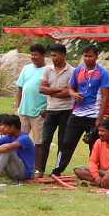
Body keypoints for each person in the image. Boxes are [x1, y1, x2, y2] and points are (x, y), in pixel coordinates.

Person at [49, 46, 109, 177]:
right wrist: (73, 94)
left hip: (94, 115)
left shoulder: (103, 73)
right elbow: (70, 87)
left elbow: (105, 96)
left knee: (94, 146)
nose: (88, 59)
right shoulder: (78, 70)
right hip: (77, 114)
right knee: (66, 143)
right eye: (86, 56)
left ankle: (94, 173)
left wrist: (100, 118)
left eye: (91, 56)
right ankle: (57, 170)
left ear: (96, 56)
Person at [34, 46, 75, 176]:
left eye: (56, 55)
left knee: (63, 142)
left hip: (66, 110)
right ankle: (40, 170)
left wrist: (52, 91)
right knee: (45, 140)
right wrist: (59, 90)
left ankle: (57, 171)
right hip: (50, 110)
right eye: (52, 55)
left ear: (64, 55)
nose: (53, 58)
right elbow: (42, 89)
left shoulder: (72, 71)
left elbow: (68, 93)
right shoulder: (47, 69)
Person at [73, 118, 109, 188]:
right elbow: (93, 161)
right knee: (78, 170)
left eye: (103, 131)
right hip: (103, 172)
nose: (99, 133)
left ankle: (102, 182)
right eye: (99, 131)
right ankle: (104, 182)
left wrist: (108, 174)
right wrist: (96, 177)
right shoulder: (98, 142)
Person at [0, 115, 35, 184]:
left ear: (13, 127)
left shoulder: (25, 138)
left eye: (5, 126)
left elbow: (7, 147)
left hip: (24, 173)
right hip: (12, 170)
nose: (2, 128)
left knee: (7, 150)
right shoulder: (10, 137)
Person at [14, 45, 47, 138]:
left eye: (36, 55)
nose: (33, 57)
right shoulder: (26, 68)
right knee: (20, 139)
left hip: (39, 113)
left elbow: (51, 93)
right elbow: (20, 88)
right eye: (32, 55)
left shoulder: (48, 70)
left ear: (43, 55)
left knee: (39, 141)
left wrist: (46, 110)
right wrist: (18, 107)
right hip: (23, 111)